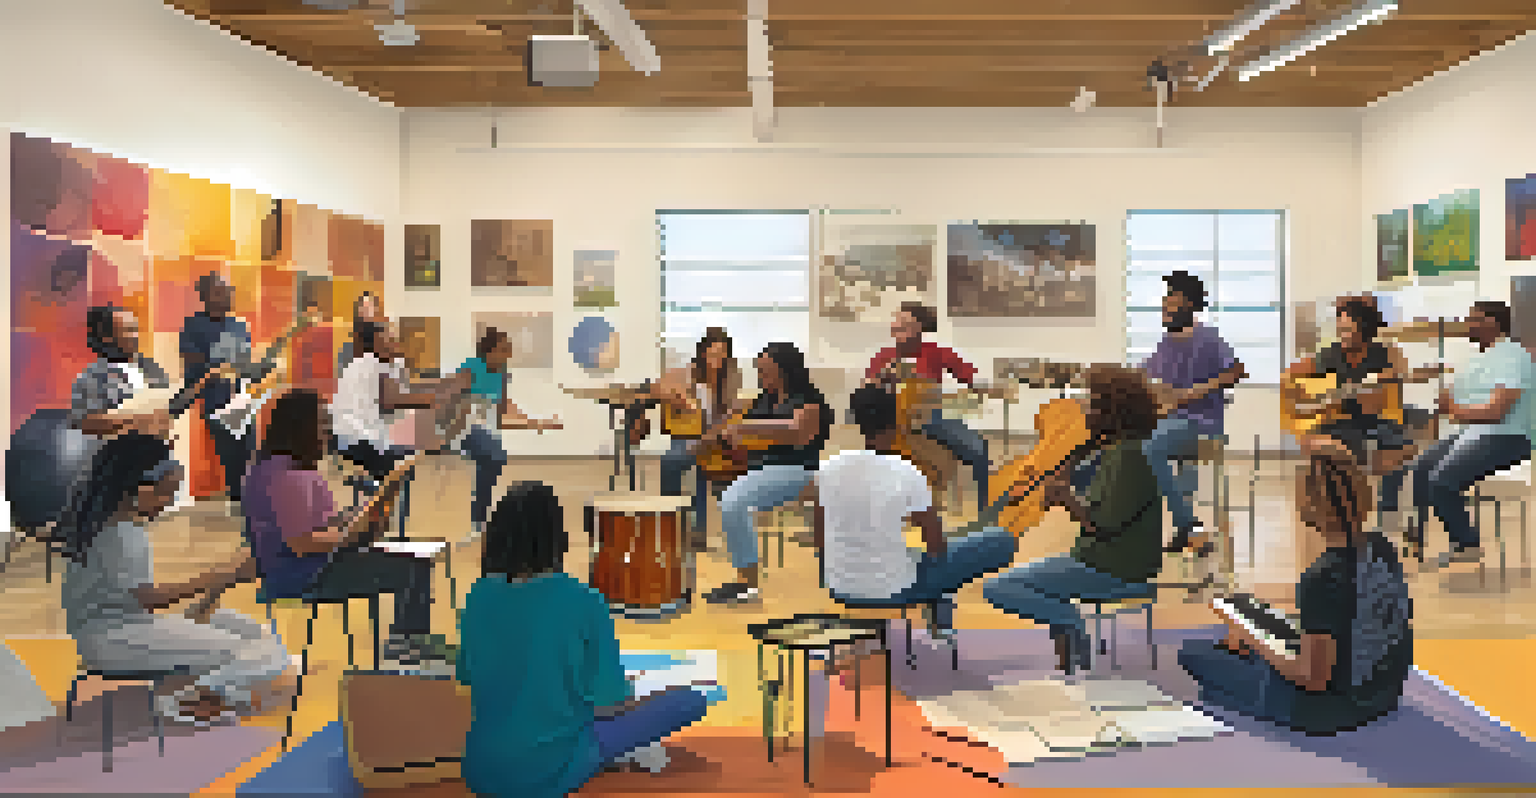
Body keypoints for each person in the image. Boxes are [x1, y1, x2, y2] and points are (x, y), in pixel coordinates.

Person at [457, 482, 712, 797]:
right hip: (549, 770)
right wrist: (649, 696)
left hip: (480, 768)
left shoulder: (477, 595)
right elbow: (612, 705)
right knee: (690, 700)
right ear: (558, 538)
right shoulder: (584, 600)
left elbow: (470, 678)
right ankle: (607, 755)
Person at [58, 433, 296, 725]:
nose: (167, 504)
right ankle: (187, 699)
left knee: (250, 634)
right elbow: (150, 599)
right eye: (165, 493)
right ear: (138, 488)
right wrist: (226, 573)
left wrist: (224, 582)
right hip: (113, 640)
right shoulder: (118, 533)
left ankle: (213, 690)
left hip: (129, 627)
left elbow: (144, 605)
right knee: (258, 652)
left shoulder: (115, 525)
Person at [1179, 452, 1412, 735]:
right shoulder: (1383, 547)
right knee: (1254, 644)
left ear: (1309, 504)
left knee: (1193, 654)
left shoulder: (1322, 576)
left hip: (1326, 709)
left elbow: (1313, 678)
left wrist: (1257, 642)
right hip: (1383, 694)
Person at [983, 364, 1165, 674]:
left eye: (1092, 403)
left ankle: (1070, 623)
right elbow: (1097, 510)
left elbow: (1103, 525)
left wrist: (1066, 498)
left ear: (1111, 410)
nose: (1085, 411)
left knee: (999, 587)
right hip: (1097, 559)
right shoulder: (1114, 451)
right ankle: (1069, 640)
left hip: (1115, 568)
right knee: (1021, 580)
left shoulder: (1129, 458)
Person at [244, 389, 446, 665]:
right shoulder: (285, 476)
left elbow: (320, 523)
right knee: (411, 566)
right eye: (322, 425)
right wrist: (350, 536)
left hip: (310, 564)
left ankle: (408, 642)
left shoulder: (283, 469)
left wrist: (362, 515)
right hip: (304, 575)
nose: (327, 433)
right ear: (301, 428)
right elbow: (301, 543)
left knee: (411, 560)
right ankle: (405, 645)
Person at [817, 382, 1018, 635]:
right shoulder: (907, 472)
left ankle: (939, 609)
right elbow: (935, 547)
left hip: (839, 586)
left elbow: (820, 539)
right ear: (896, 423)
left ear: (856, 423)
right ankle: (940, 619)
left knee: (915, 553)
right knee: (998, 540)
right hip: (894, 588)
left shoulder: (827, 469)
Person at [1389, 301, 1534, 567]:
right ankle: (1415, 543)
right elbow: (1455, 402)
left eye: (1475, 319)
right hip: (1475, 432)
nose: (1469, 324)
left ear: (1493, 323)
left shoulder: (1512, 356)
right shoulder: (1480, 357)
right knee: (1421, 470)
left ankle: (1466, 543)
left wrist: (1453, 410)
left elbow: (1497, 411)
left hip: (1509, 436)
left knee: (1442, 480)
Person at [703, 343, 832, 605]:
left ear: (785, 371)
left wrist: (746, 427)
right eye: (760, 371)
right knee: (728, 498)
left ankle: (746, 584)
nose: (762, 378)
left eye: (766, 372)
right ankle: (745, 580)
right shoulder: (763, 401)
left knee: (732, 502)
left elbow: (798, 431)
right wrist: (728, 435)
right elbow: (742, 439)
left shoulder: (809, 399)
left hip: (799, 471)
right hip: (762, 470)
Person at [864, 302, 1010, 514]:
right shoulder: (884, 355)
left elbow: (969, 376)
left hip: (930, 415)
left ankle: (987, 509)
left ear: (920, 327)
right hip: (893, 416)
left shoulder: (937, 352)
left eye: (904, 322)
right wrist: (881, 378)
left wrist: (990, 387)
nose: (896, 326)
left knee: (978, 448)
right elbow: (867, 387)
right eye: (896, 321)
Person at [1140, 271, 1246, 553]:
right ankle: (1181, 528)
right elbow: (1148, 376)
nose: (1164, 304)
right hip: (1174, 423)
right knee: (1135, 442)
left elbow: (1237, 370)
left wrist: (1195, 391)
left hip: (1202, 423)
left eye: (1171, 299)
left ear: (1188, 304)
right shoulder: (1166, 343)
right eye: (1165, 298)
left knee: (1150, 449)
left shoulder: (1208, 338)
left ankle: (1188, 525)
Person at [1285, 294, 1417, 494]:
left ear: (1364, 329)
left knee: (1398, 445)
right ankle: (1343, 504)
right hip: (1339, 417)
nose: (1343, 335)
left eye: (1348, 330)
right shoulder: (1329, 354)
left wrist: (1392, 376)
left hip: (1377, 417)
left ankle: (1388, 506)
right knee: (1336, 449)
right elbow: (1304, 387)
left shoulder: (1383, 353)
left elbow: (1400, 376)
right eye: (1340, 329)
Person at [454, 328, 562, 540]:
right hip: (464, 428)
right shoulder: (470, 368)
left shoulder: (502, 373)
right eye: (504, 348)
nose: (509, 353)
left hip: (485, 430)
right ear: (489, 351)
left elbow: (504, 409)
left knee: (493, 463)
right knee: (495, 457)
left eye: (509, 348)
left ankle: (480, 521)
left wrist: (537, 422)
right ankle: (481, 518)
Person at [657, 328, 745, 541]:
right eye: (713, 354)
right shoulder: (687, 373)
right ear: (703, 353)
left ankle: (697, 529)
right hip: (687, 435)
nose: (717, 360)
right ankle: (672, 517)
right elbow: (662, 391)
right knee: (671, 461)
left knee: (701, 463)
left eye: (722, 355)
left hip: (715, 436)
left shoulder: (732, 377)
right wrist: (679, 399)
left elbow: (730, 413)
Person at [330, 320, 442, 482]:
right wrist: (430, 400)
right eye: (389, 336)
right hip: (358, 440)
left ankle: (375, 487)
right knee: (407, 457)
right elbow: (392, 400)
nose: (393, 340)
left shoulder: (358, 364)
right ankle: (382, 494)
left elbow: (398, 395)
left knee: (406, 446)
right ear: (377, 341)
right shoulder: (376, 364)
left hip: (342, 437)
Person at [180, 273, 255, 502]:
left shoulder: (240, 325)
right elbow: (193, 360)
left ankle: (248, 501)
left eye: (228, 290)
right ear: (205, 296)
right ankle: (238, 501)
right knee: (230, 457)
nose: (227, 295)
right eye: (219, 291)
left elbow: (245, 362)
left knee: (249, 453)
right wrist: (220, 364)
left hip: (241, 400)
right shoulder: (193, 325)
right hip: (214, 401)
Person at [70, 305, 172, 438]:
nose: (136, 336)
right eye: (128, 331)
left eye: (136, 330)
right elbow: (85, 422)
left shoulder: (151, 368)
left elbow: (169, 405)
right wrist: (137, 419)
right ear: (107, 337)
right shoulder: (91, 378)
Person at [336, 291, 383, 375]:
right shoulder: (353, 333)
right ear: (359, 309)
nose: (366, 310)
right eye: (364, 307)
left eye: (369, 306)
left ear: (375, 308)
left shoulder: (381, 332)